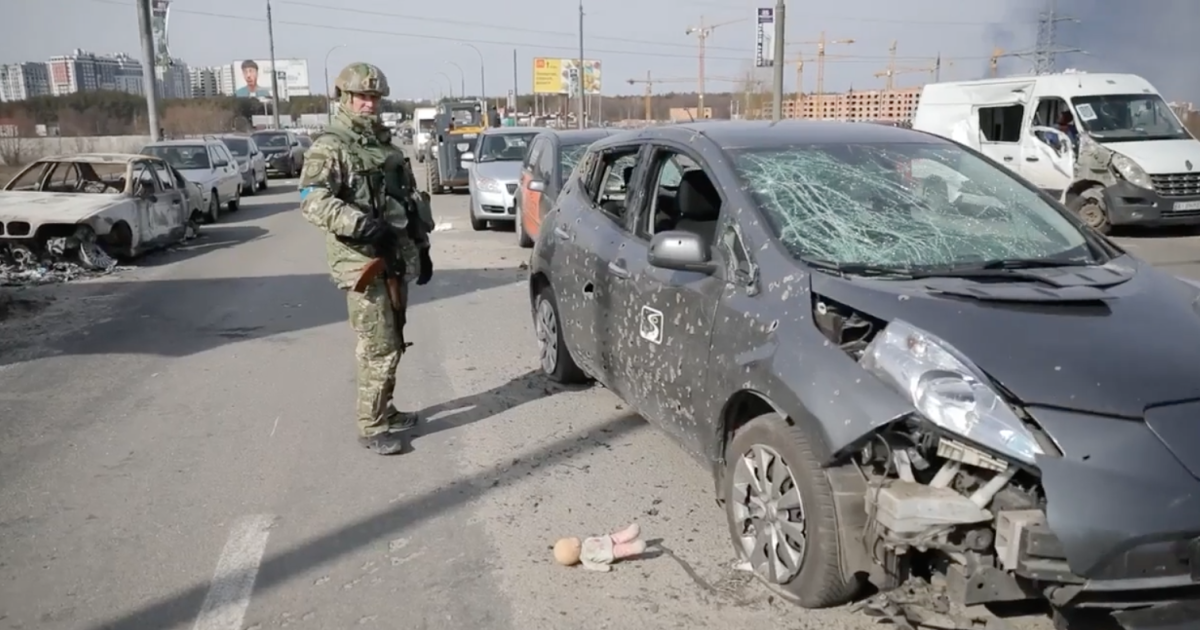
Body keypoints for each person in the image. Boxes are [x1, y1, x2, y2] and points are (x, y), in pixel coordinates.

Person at [298, 62, 435, 456]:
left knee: (393, 340)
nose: (369, 104)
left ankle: (386, 410)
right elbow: (312, 200)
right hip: (362, 261)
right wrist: (358, 224)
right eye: (362, 96)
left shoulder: (385, 146)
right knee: (378, 346)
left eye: (375, 97)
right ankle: (371, 425)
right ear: (345, 98)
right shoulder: (331, 145)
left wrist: (422, 250)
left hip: (395, 257)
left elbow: (408, 202)